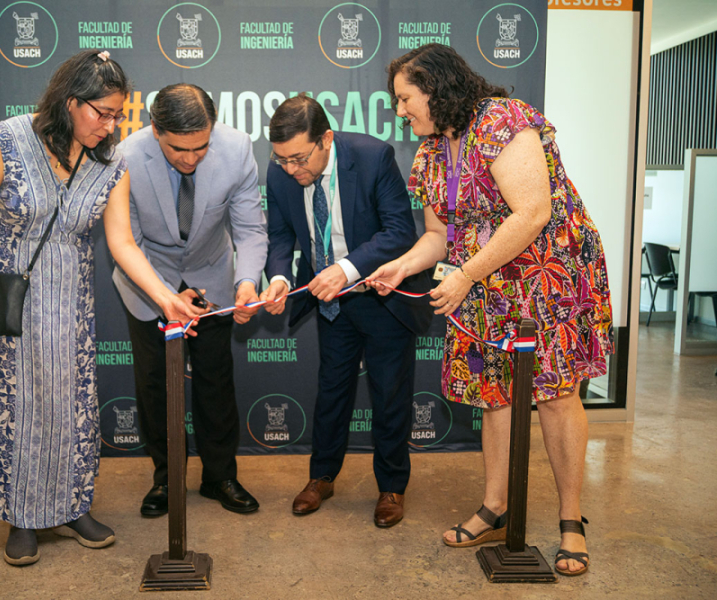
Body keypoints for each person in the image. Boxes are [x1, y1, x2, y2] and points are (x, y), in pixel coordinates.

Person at [369, 44, 614, 575]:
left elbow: (532, 213)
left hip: (548, 276)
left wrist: (465, 274)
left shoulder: (503, 120)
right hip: (484, 283)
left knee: (554, 395)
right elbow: (438, 235)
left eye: (405, 98)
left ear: (436, 89)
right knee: (494, 394)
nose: (401, 110)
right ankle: (495, 506)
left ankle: (571, 520)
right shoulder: (430, 153)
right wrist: (403, 264)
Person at [0, 51, 199, 566]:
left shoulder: (110, 163)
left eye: (117, 115)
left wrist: (166, 297)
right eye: (102, 113)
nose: (110, 125)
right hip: (9, 302)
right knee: (18, 409)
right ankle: (22, 517)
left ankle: (70, 506)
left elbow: (124, 243)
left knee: (71, 408)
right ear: (70, 102)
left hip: (69, 305)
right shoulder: (9, 141)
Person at [259, 94, 431, 528]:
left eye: (299, 159)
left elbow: (398, 232)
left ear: (326, 139)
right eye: (282, 160)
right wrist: (279, 280)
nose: (291, 169)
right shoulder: (280, 174)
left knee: (390, 395)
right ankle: (322, 477)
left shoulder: (373, 157)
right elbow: (280, 238)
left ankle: (392, 486)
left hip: (381, 297)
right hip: (329, 302)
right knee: (331, 391)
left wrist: (345, 269)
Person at [112, 83, 268, 517]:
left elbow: (250, 229)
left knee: (216, 383)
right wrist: (166, 294)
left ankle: (220, 476)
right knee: (155, 387)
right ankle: (167, 478)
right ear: (155, 129)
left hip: (213, 280)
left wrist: (248, 281)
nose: (190, 158)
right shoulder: (123, 157)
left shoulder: (236, 149)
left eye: (200, 147)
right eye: (179, 148)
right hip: (147, 282)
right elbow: (128, 241)